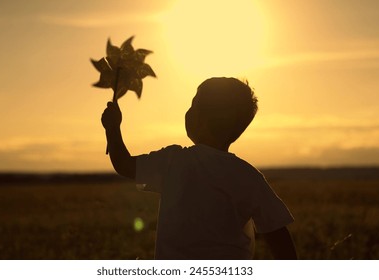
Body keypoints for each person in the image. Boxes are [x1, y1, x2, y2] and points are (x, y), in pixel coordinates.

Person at [101, 77, 297, 259]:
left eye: (193, 104)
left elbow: (124, 165)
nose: (188, 111)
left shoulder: (173, 161)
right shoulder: (247, 175)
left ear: (201, 121)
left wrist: (112, 128)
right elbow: (278, 234)